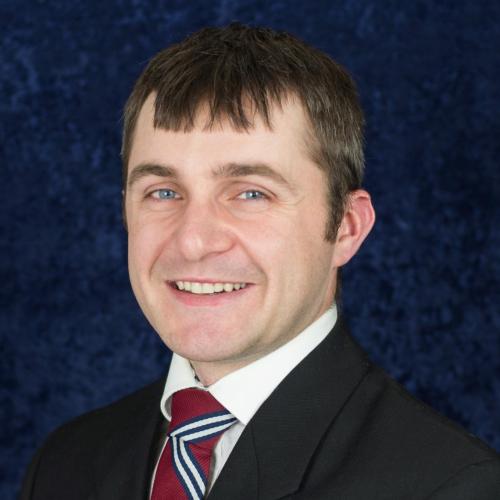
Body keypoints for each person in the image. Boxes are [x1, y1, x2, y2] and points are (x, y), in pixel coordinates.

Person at [20, 23, 499, 500]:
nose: (194, 241)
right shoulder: (64, 464)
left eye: (251, 193)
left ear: (346, 227)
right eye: (163, 192)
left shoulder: (455, 486)